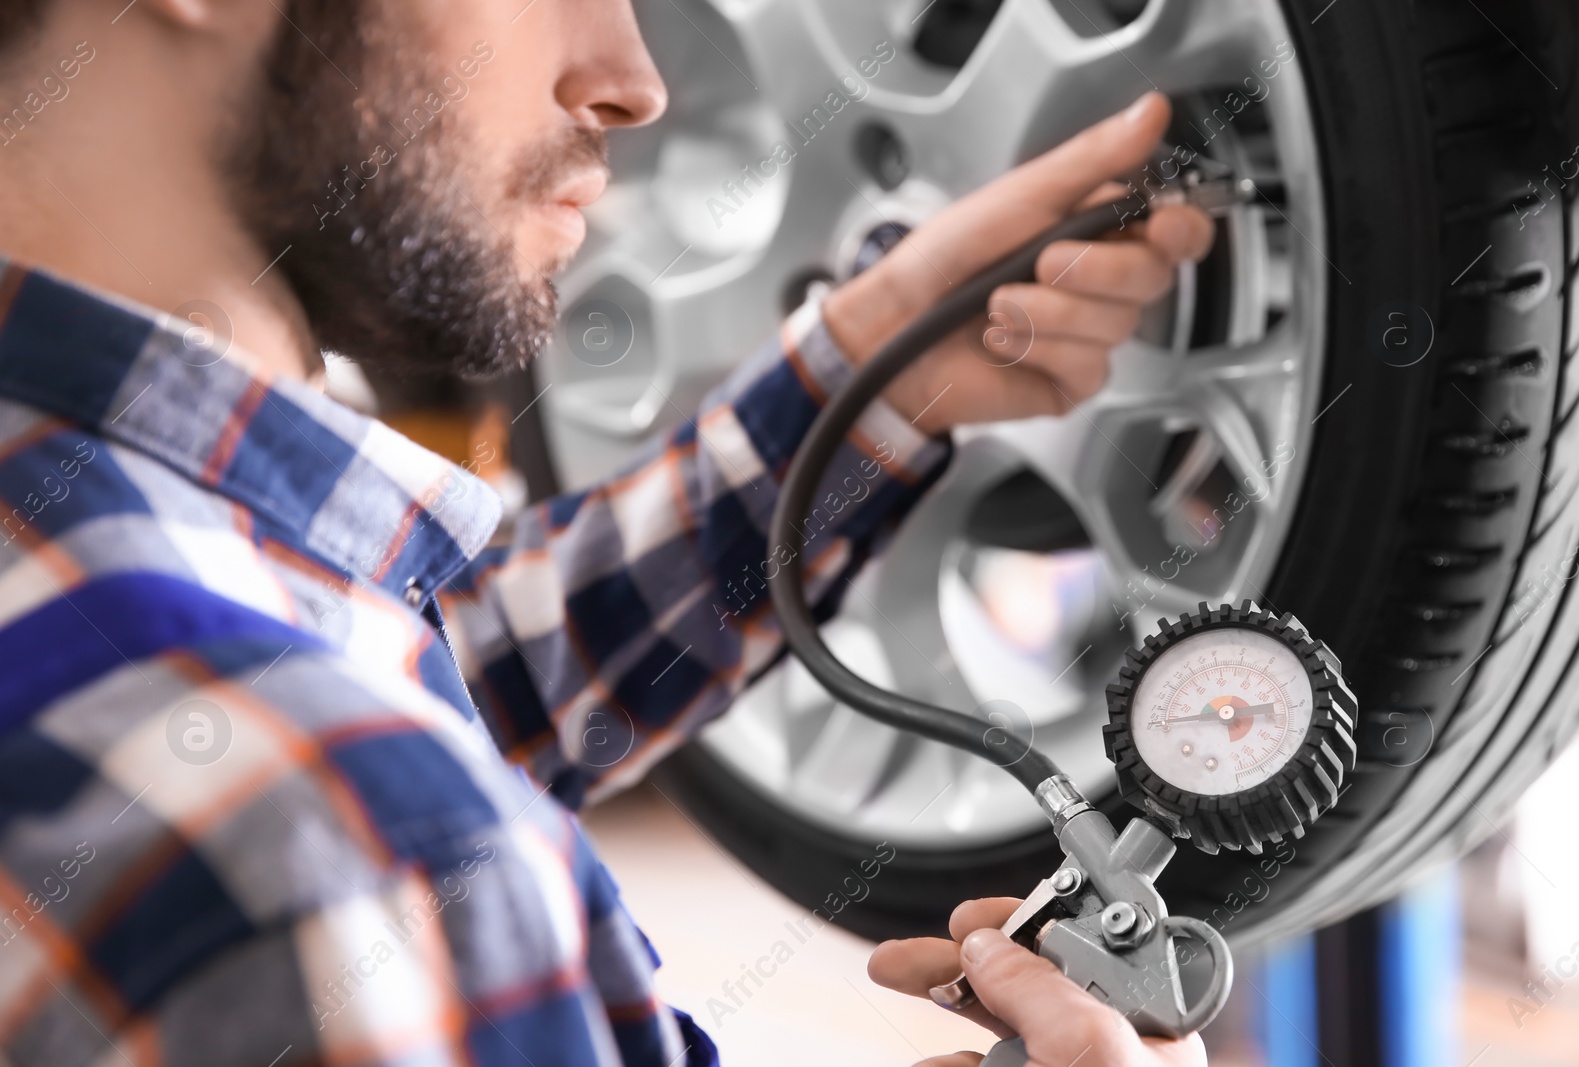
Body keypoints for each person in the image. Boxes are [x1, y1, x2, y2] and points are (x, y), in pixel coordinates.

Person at [0, 1, 1213, 1064]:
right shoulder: (353, 862)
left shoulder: (116, 586)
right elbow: (347, 764)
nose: (635, 80)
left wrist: (877, 374)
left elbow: (400, 667)